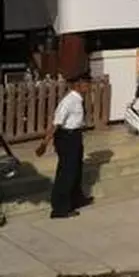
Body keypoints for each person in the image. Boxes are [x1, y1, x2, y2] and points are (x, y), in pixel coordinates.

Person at [35, 72, 94, 219]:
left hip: (75, 136)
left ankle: (77, 199)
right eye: (86, 83)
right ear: (78, 84)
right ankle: (60, 208)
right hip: (66, 138)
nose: (88, 86)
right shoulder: (68, 101)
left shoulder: (78, 99)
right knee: (66, 173)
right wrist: (44, 143)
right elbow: (56, 123)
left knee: (76, 170)